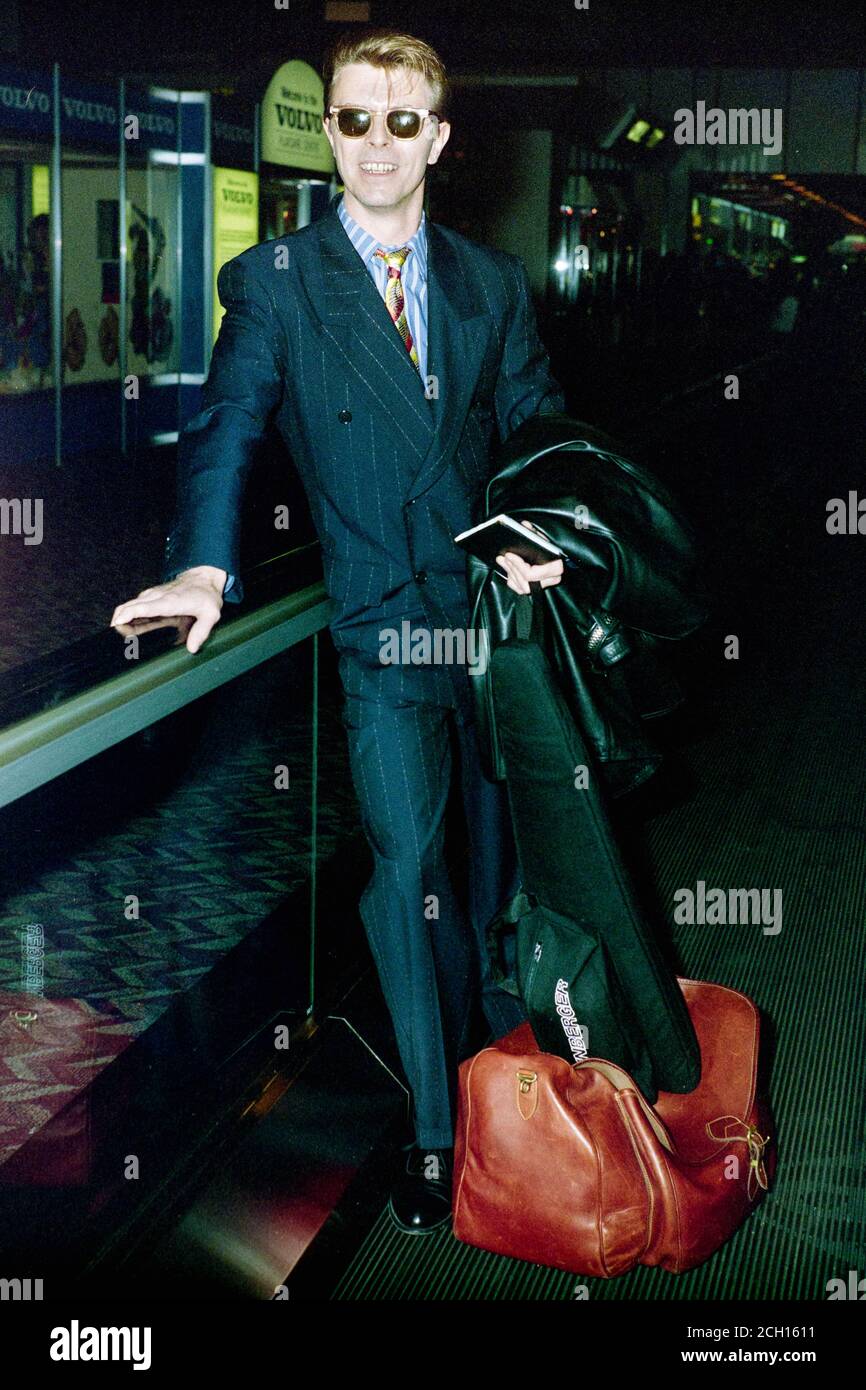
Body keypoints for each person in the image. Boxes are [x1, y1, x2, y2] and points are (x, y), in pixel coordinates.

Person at [111, 27, 565, 1234]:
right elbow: (229, 423)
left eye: (398, 120)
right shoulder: (276, 281)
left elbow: (532, 424)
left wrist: (541, 528)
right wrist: (205, 565)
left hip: (491, 627)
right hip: (378, 633)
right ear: (334, 136)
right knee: (409, 875)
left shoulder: (488, 282)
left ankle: (490, 1036)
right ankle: (432, 1129)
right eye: (352, 119)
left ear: (439, 139)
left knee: (487, 862)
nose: (371, 143)